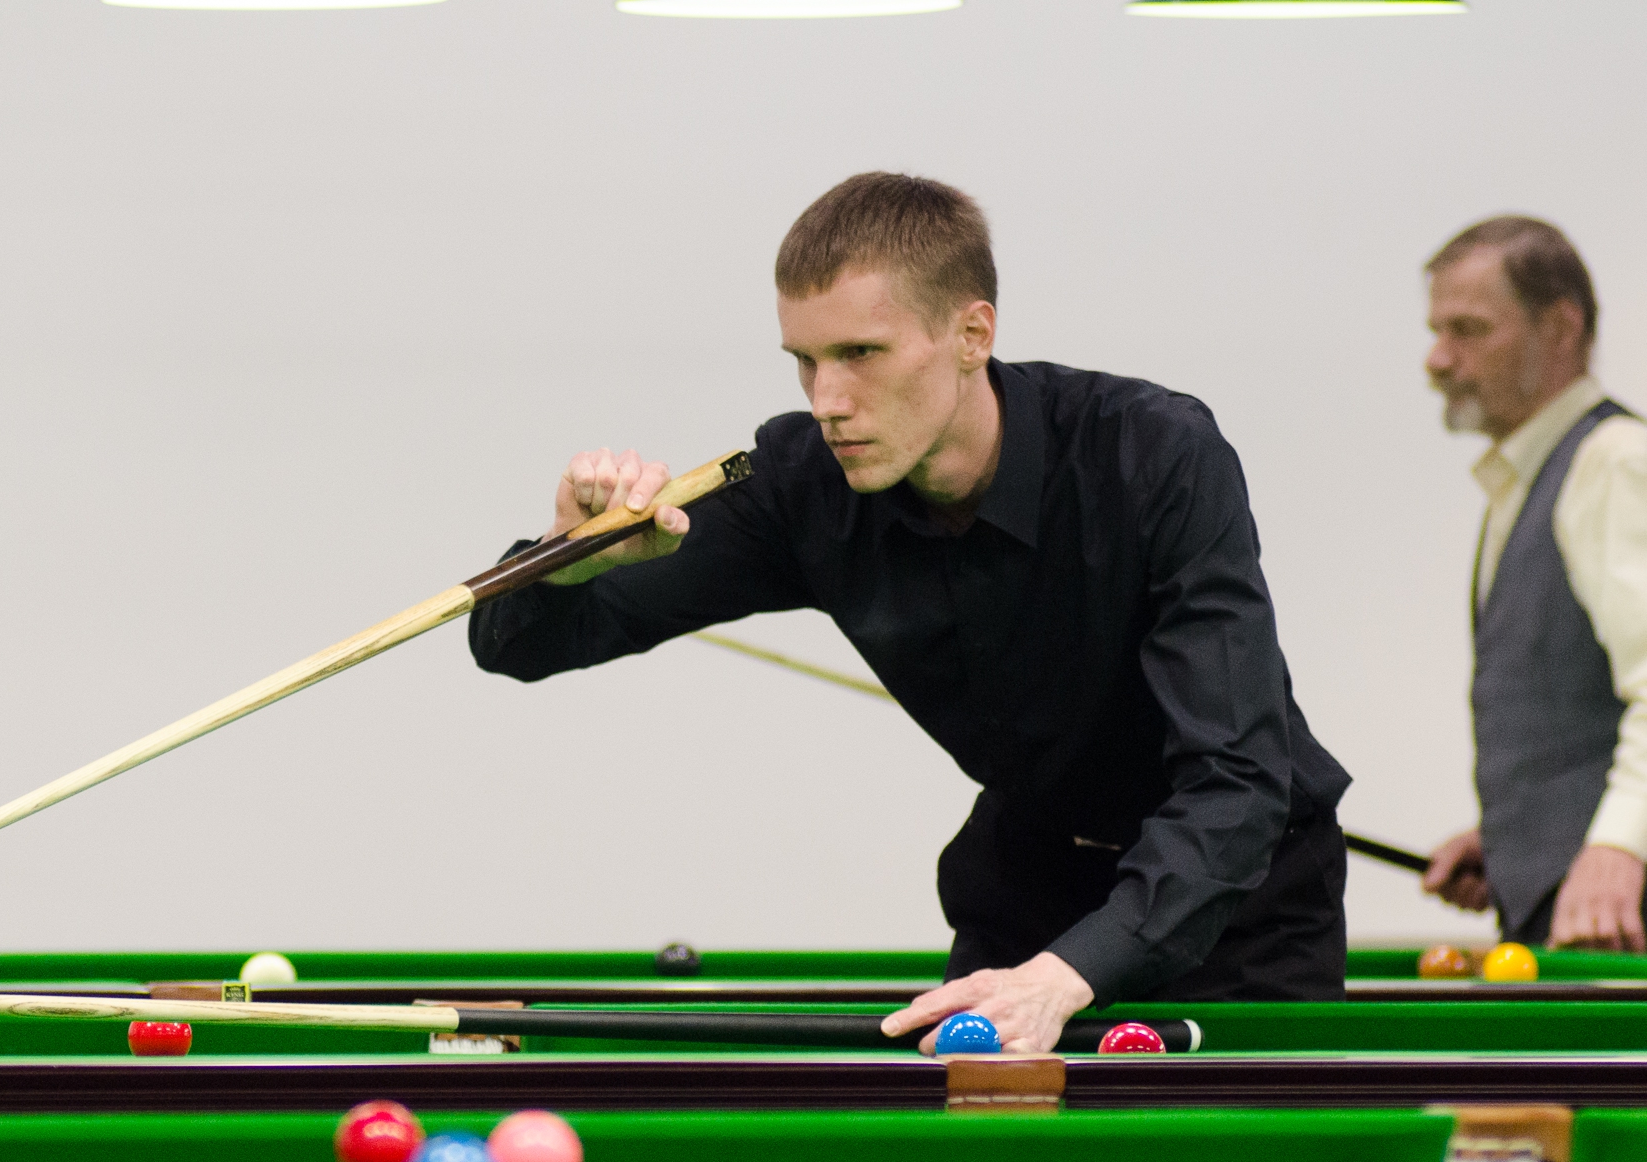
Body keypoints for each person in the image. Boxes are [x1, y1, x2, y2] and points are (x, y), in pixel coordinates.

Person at [469, 172, 1350, 1053]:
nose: (826, 400)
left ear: (972, 334)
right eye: (806, 360)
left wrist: (1064, 977)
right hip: (1030, 897)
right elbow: (516, 644)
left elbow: (1237, 780)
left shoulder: (1153, 453)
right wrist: (569, 558)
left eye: (861, 353)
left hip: (1243, 905)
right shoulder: (803, 484)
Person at [1419, 217, 1647, 951]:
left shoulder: (1613, 462)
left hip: (1618, 922)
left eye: (1468, 329)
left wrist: (1621, 847)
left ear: (1561, 328)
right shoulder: (1531, 480)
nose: (1437, 359)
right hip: (1592, 917)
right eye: (1436, 331)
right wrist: (1518, 835)